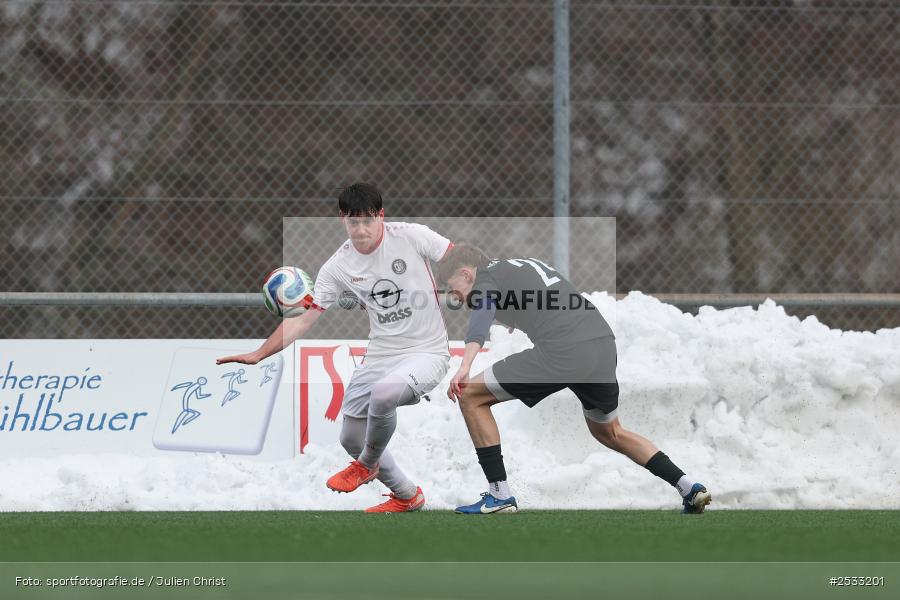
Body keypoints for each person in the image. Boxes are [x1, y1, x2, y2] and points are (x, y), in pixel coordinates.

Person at [218, 183, 452, 513]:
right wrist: (260, 353)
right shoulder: (338, 265)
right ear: (342, 219)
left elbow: (460, 260)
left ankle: (367, 465)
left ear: (381, 216)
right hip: (381, 353)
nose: (361, 229)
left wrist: (492, 297)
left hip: (427, 351)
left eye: (368, 221)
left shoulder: (412, 236)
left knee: (384, 395)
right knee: (351, 438)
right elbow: (301, 320)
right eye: (352, 221)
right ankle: (406, 495)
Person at [438, 243, 711, 514]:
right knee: (610, 431)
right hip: (602, 344)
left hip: (564, 351)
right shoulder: (521, 265)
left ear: (466, 274)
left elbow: (481, 314)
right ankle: (688, 487)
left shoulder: (486, 278)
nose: (456, 298)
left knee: (471, 394)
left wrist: (465, 365)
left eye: (454, 289)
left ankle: (499, 495)